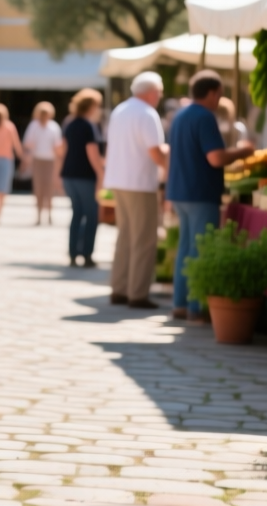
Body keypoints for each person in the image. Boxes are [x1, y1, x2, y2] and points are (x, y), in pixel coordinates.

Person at [166, 71, 256, 321]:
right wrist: (242, 152)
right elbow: (216, 158)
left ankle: (180, 303)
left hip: (180, 191)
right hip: (200, 191)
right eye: (220, 94)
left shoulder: (181, 114)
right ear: (213, 92)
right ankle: (196, 307)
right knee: (200, 248)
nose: (220, 99)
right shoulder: (205, 117)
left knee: (185, 247)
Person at [105, 72, 167, 309]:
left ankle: (120, 288)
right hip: (140, 183)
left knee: (126, 237)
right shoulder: (147, 113)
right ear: (151, 92)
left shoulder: (120, 110)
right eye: (159, 92)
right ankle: (137, 293)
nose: (159, 97)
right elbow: (155, 152)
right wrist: (169, 167)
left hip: (120, 181)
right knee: (143, 239)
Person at [57, 89, 106, 266]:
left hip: (69, 174)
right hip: (85, 176)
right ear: (92, 106)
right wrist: (101, 173)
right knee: (92, 215)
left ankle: (72, 253)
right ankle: (86, 255)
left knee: (77, 213)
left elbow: (62, 149)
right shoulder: (88, 125)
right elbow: (92, 153)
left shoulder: (69, 123)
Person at [23, 101, 63, 225]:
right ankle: (39, 215)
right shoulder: (34, 126)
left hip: (50, 161)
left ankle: (50, 215)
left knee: (50, 189)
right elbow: (27, 143)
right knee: (38, 189)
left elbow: (58, 146)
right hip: (37, 160)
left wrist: (59, 161)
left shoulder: (54, 127)